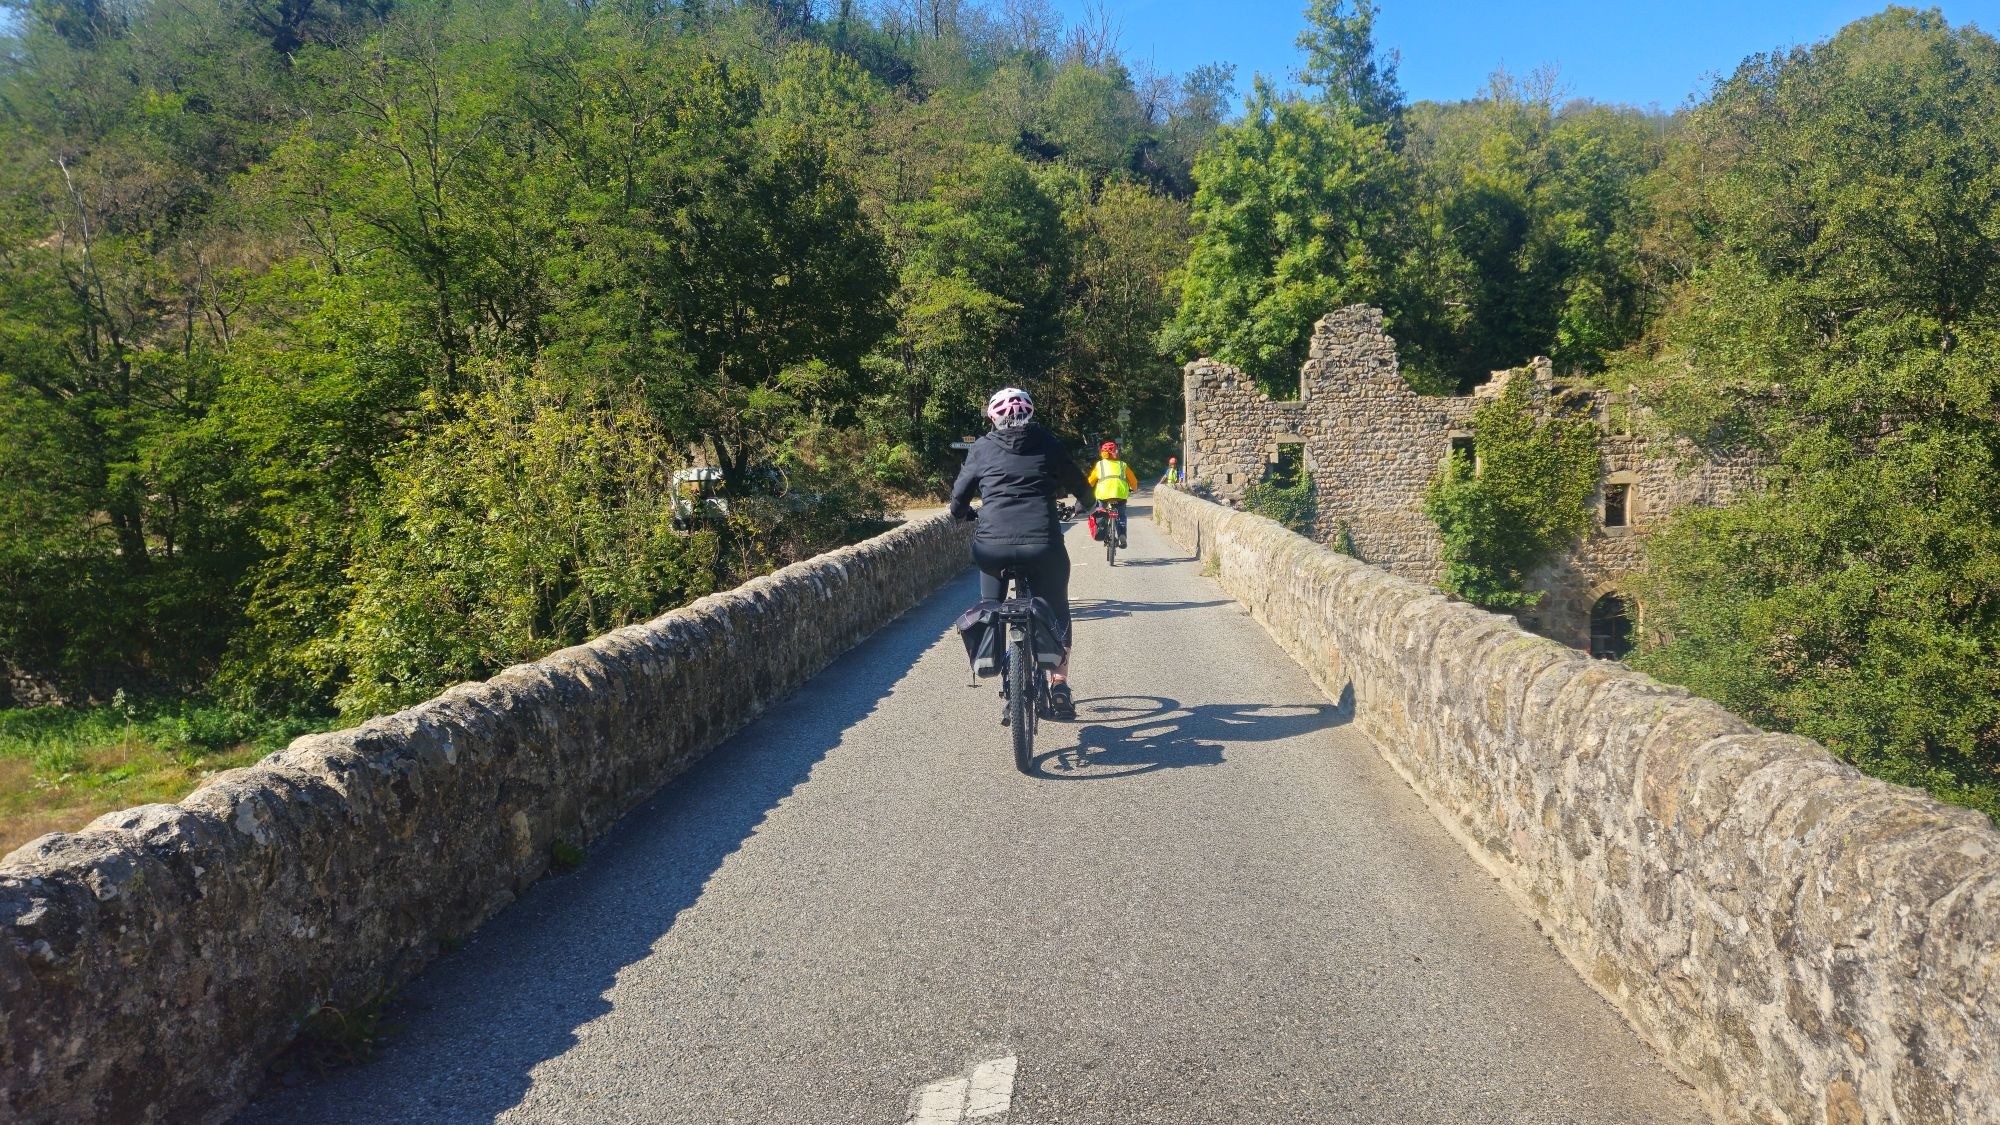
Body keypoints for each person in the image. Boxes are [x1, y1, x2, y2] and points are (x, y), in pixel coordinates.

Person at [951, 387, 1094, 719]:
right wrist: (1084, 504)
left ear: (992, 417)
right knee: (1057, 609)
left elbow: (959, 498)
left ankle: (1006, 678)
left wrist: (964, 513)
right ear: (1030, 413)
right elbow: (1080, 484)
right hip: (1042, 543)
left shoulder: (982, 447)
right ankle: (1058, 684)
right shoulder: (1046, 441)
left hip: (992, 547)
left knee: (992, 606)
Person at [1087, 441, 1139, 548]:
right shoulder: (1122, 465)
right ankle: (1122, 535)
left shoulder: (1099, 465)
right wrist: (1134, 489)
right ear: (1115, 451)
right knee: (1121, 516)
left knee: (1101, 514)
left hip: (1103, 496)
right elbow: (1133, 481)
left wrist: (1086, 490)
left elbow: (1090, 481)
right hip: (1120, 495)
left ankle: (1104, 532)